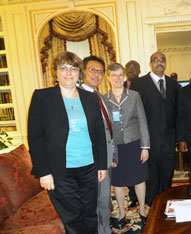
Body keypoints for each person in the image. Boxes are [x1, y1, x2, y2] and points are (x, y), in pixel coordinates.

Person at [27, 51, 107, 234]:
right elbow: (35, 137)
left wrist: (102, 164)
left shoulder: (90, 98)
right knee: (72, 217)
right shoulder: (42, 97)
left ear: (79, 73)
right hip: (60, 171)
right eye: (63, 68)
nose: (68, 72)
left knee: (90, 214)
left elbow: (99, 133)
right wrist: (43, 172)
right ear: (56, 72)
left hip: (89, 168)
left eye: (73, 68)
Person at [103, 63, 150, 229]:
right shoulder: (103, 98)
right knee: (119, 182)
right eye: (114, 75)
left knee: (139, 179)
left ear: (124, 77)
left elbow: (143, 121)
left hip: (134, 144)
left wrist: (145, 147)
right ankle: (122, 213)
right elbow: (105, 127)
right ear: (108, 77)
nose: (117, 78)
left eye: (120, 75)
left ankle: (142, 210)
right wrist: (109, 153)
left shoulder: (134, 96)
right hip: (116, 146)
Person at [131, 51, 180, 205]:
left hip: (169, 139)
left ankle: (166, 199)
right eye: (156, 60)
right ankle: (152, 203)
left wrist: (179, 137)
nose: (160, 62)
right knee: (151, 172)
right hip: (148, 139)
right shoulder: (139, 84)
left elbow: (179, 112)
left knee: (167, 172)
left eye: (162, 59)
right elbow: (134, 113)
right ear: (150, 63)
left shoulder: (173, 84)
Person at [80, 55, 116, 234]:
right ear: (82, 71)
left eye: (100, 71)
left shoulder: (100, 97)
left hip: (106, 158)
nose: (97, 74)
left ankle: (105, 229)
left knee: (104, 198)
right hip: (89, 160)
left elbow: (109, 128)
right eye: (92, 70)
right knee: (92, 200)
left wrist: (113, 155)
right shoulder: (77, 97)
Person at [124, 60, 141, 208]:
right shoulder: (119, 86)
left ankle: (145, 195)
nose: (131, 70)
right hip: (126, 135)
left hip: (141, 133)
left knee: (142, 166)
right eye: (128, 68)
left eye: (134, 68)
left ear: (139, 70)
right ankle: (132, 196)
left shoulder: (145, 85)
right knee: (128, 167)